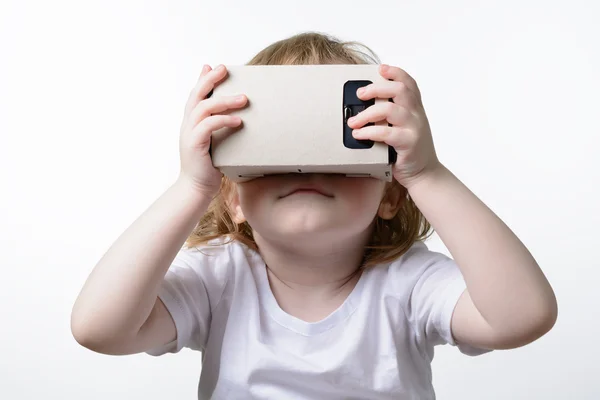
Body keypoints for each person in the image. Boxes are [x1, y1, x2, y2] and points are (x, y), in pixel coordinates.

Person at [71, 32, 558, 399]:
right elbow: (100, 328)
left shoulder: (408, 282)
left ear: (391, 195)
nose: (304, 167)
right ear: (233, 201)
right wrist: (192, 185)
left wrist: (427, 174)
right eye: (273, 152)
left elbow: (521, 318)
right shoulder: (218, 278)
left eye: (338, 150)